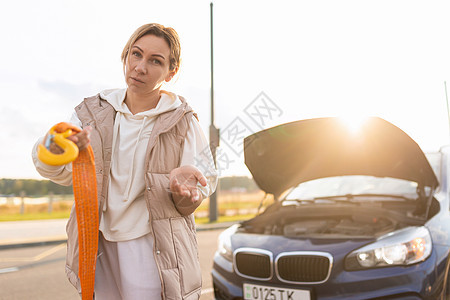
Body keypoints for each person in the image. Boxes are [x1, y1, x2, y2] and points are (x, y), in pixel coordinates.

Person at [31, 23, 218, 300]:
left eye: (156, 61)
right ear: (125, 55)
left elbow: (204, 182)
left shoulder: (183, 120)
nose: (140, 67)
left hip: (152, 247)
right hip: (98, 244)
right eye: (136, 54)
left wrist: (188, 193)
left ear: (171, 71)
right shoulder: (91, 113)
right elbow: (55, 169)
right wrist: (57, 149)